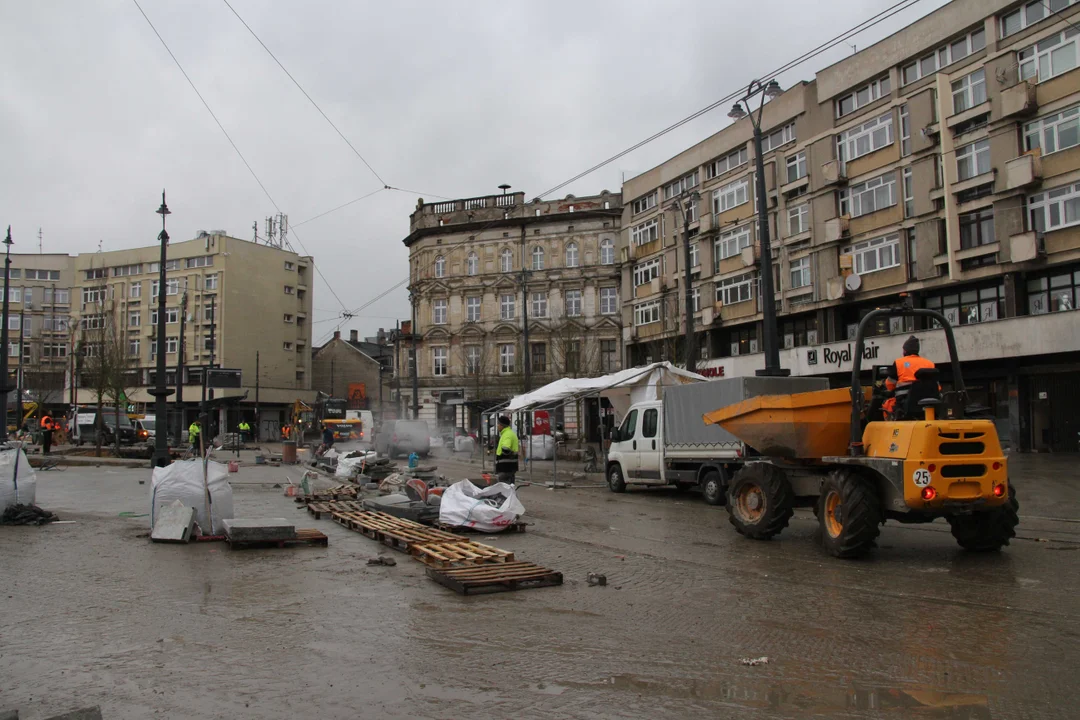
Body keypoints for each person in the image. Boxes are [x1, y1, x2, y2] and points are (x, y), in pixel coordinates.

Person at [883, 336, 936, 418]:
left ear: (905, 350)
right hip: (928, 402)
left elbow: (890, 384)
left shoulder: (899, 363)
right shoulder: (929, 363)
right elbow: (937, 386)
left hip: (905, 402)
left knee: (887, 404)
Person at [494, 415, 520, 486]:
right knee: (510, 488)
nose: (497, 426)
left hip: (505, 467)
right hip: (511, 467)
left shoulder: (507, 434)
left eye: (498, 424)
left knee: (504, 489)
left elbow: (506, 449)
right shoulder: (510, 433)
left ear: (502, 425)